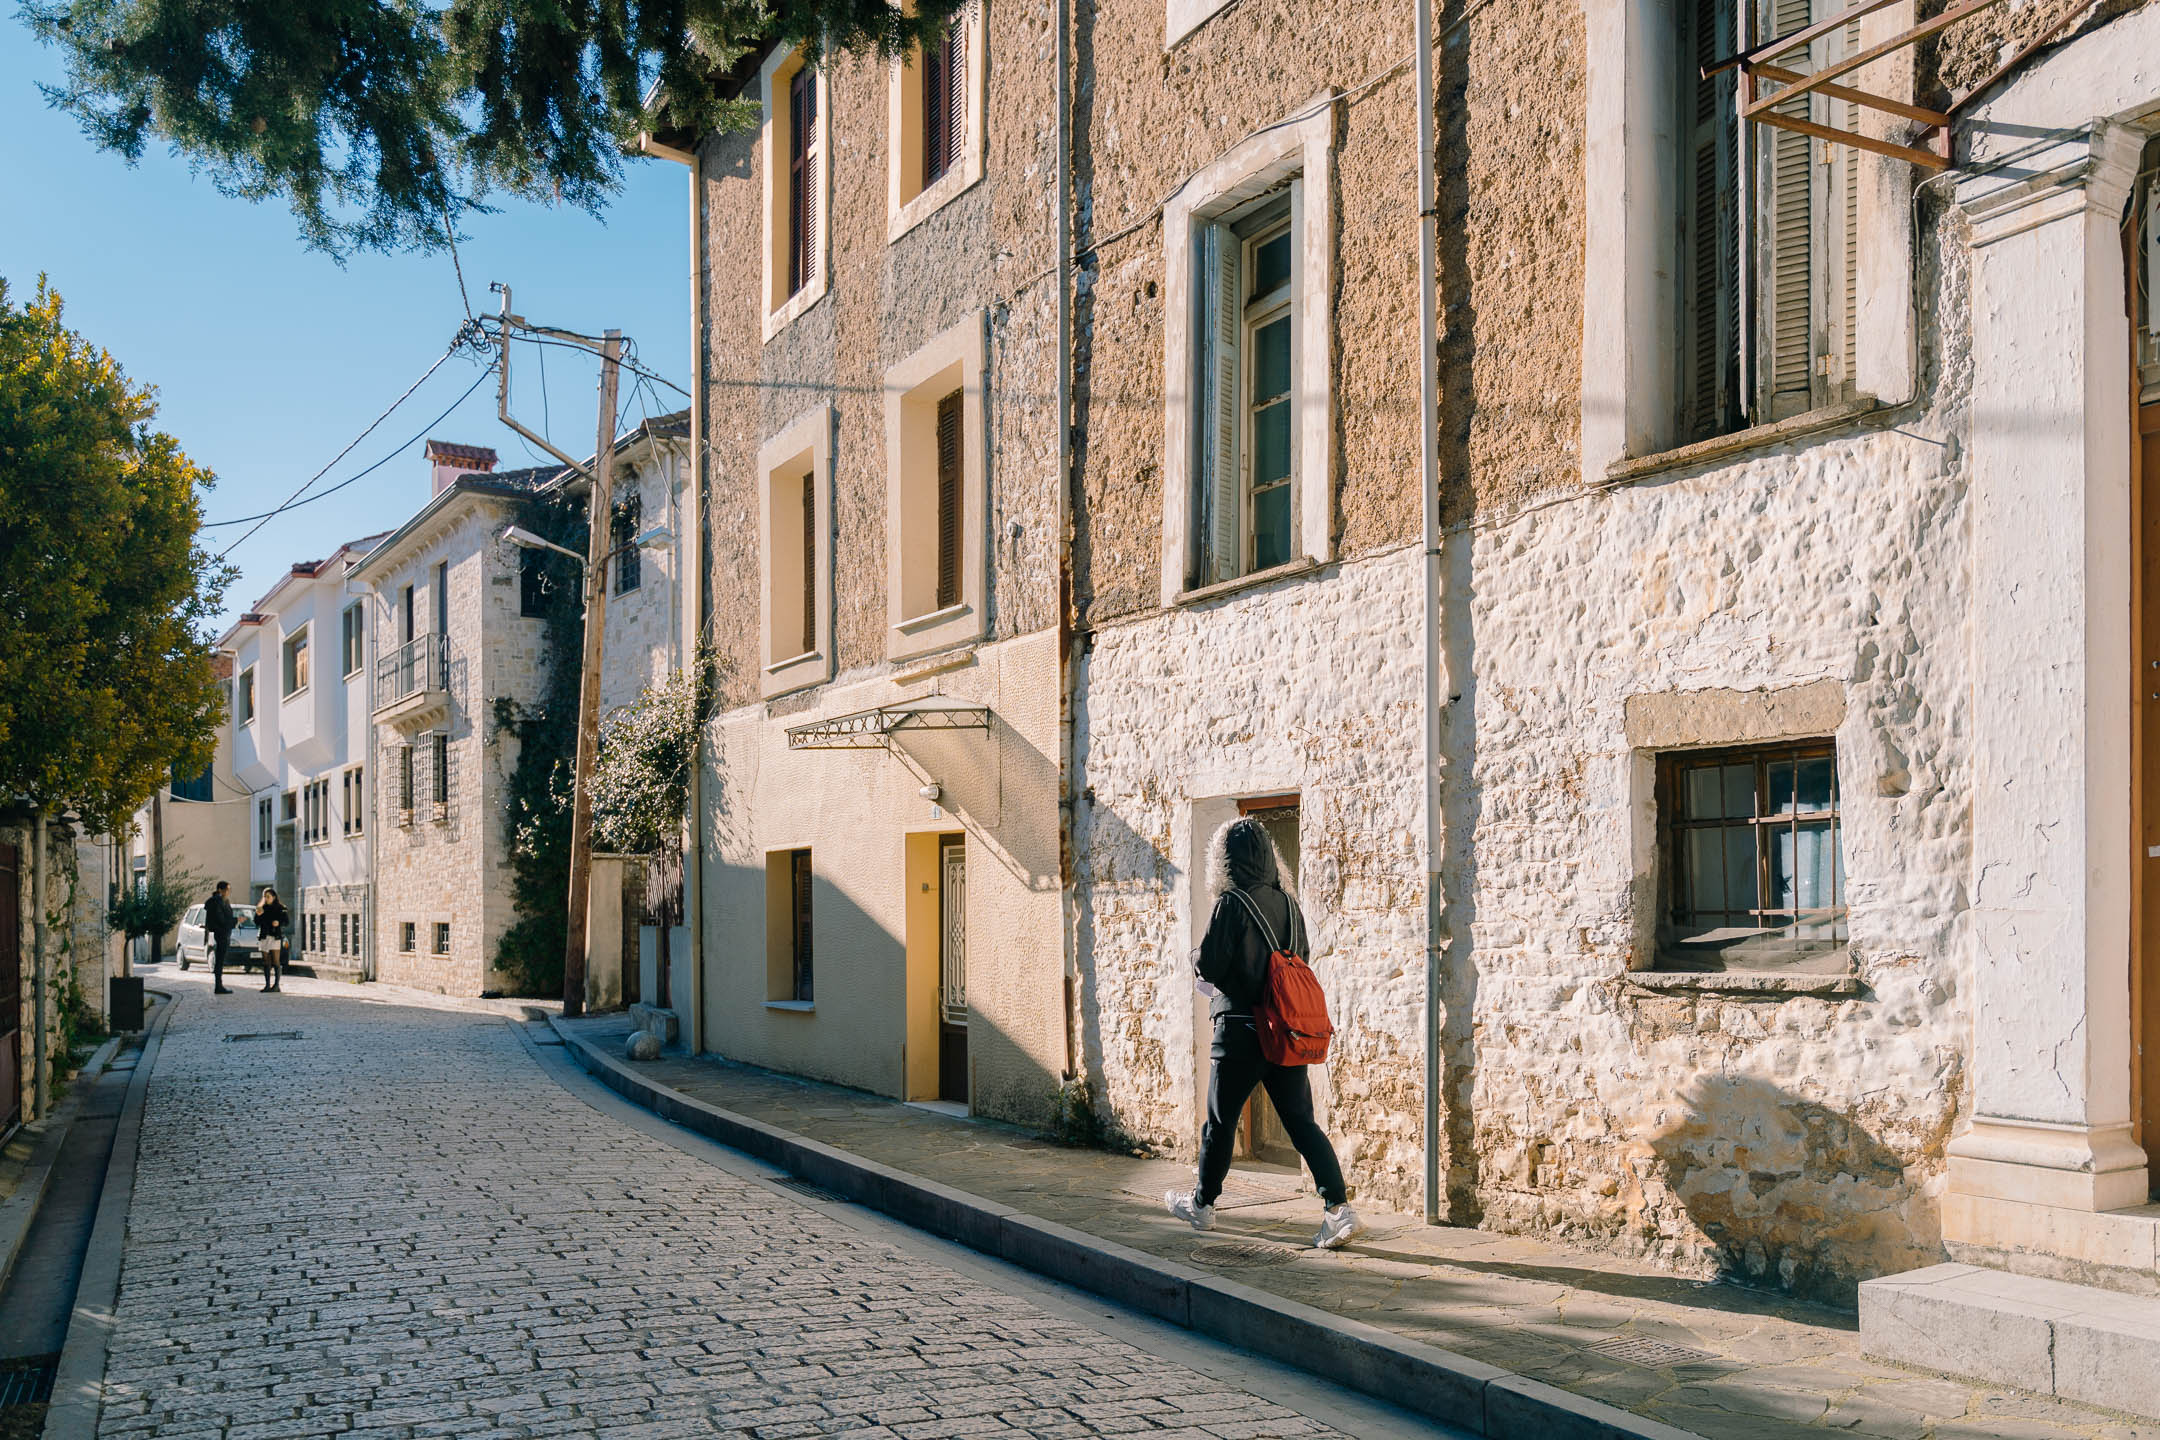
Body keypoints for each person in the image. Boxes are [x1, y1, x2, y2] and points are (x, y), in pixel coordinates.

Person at [1166, 817, 1365, 1250]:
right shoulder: (1290, 905)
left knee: (1221, 1122)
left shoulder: (1230, 903)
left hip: (1238, 1029)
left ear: (1224, 860)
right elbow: (1301, 956)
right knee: (1301, 1122)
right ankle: (1338, 1210)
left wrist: (1198, 956)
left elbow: (1211, 966)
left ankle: (1202, 1205)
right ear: (1271, 858)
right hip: (1285, 1029)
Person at [253, 886, 289, 993]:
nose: (266, 898)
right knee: (266, 961)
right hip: (264, 936)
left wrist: (279, 923)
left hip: (275, 936)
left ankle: (276, 985)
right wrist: (258, 915)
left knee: (276, 961)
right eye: (264, 896)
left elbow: (286, 922)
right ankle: (267, 985)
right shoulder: (261, 908)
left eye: (268, 896)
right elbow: (256, 922)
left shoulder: (281, 908)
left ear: (274, 897)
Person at [205, 880, 237, 995]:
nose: (228, 892)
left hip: (223, 932)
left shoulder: (221, 901)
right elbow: (221, 920)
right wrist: (236, 920)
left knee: (220, 960)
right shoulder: (217, 902)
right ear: (220, 890)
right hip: (221, 933)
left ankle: (219, 985)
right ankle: (218, 986)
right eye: (227, 889)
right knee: (219, 960)